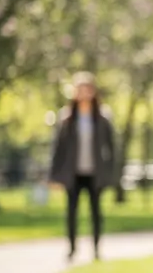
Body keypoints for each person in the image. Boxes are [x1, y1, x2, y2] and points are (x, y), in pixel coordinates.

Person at [49, 71, 117, 262]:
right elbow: (58, 148)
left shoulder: (102, 118)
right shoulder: (67, 118)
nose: (83, 93)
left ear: (93, 91)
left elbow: (111, 148)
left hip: (95, 173)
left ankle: (96, 248)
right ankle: (71, 248)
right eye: (80, 89)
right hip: (73, 173)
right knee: (71, 212)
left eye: (87, 89)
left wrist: (110, 173)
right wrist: (54, 175)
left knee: (96, 212)